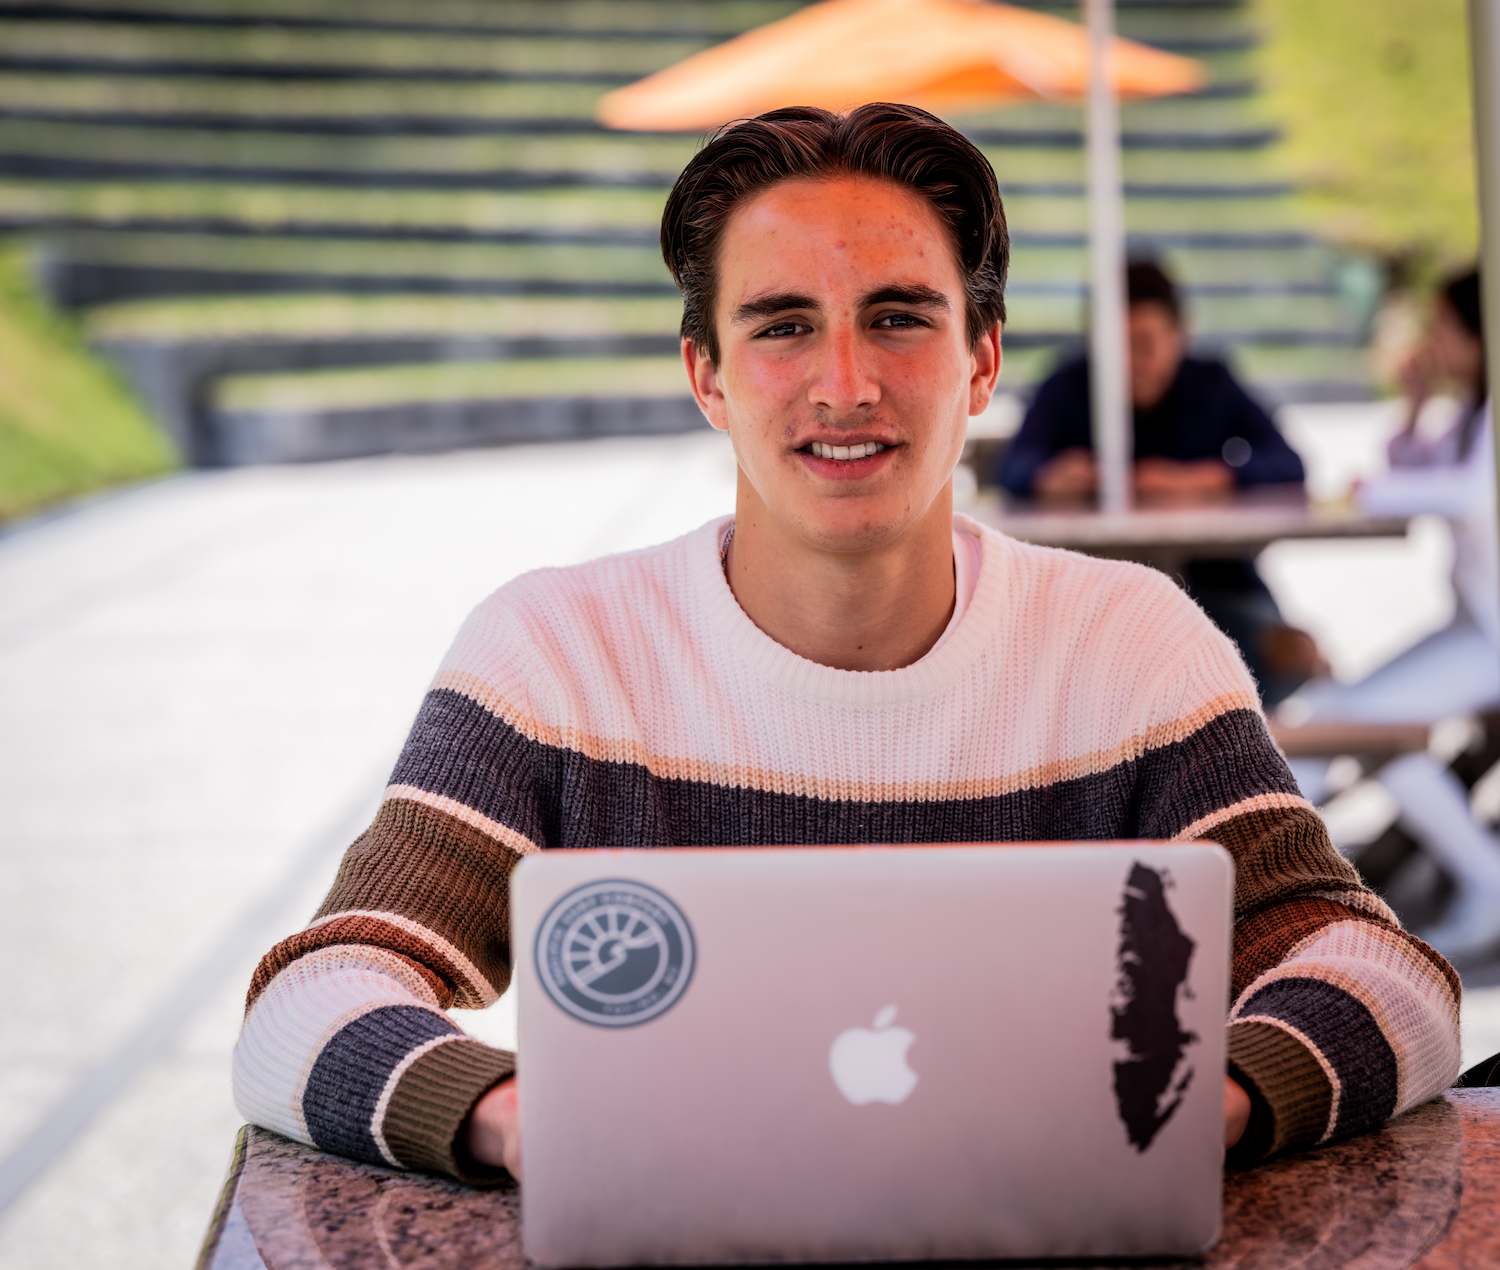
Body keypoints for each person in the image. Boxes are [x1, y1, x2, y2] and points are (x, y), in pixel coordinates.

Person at [232, 104, 1459, 1190]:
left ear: (982, 361)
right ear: (707, 376)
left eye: (898, 317)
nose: (846, 382)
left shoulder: (1129, 647)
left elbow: (1380, 970)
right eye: (782, 325)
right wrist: (514, 1118)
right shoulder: (557, 655)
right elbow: (314, 993)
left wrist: (1207, 1106)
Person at [1279, 266, 1500, 962]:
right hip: (1472, 628)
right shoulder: (1470, 411)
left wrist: (1371, 490)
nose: (1433, 341)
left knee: (1357, 719)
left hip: (1491, 639)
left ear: (1479, 334)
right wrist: (1413, 403)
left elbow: (1468, 493)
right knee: (1350, 715)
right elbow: (1411, 462)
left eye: (1444, 328)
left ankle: (1487, 881)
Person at [993, 260, 1324, 707]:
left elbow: (1288, 464)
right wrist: (1049, 477)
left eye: (1145, 343)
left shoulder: (1211, 382)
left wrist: (1205, 478)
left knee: (1285, 655)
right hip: (1096, 602)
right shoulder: (1068, 385)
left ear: (1179, 335)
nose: (1132, 362)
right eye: (1116, 346)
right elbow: (1012, 468)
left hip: (1215, 591)